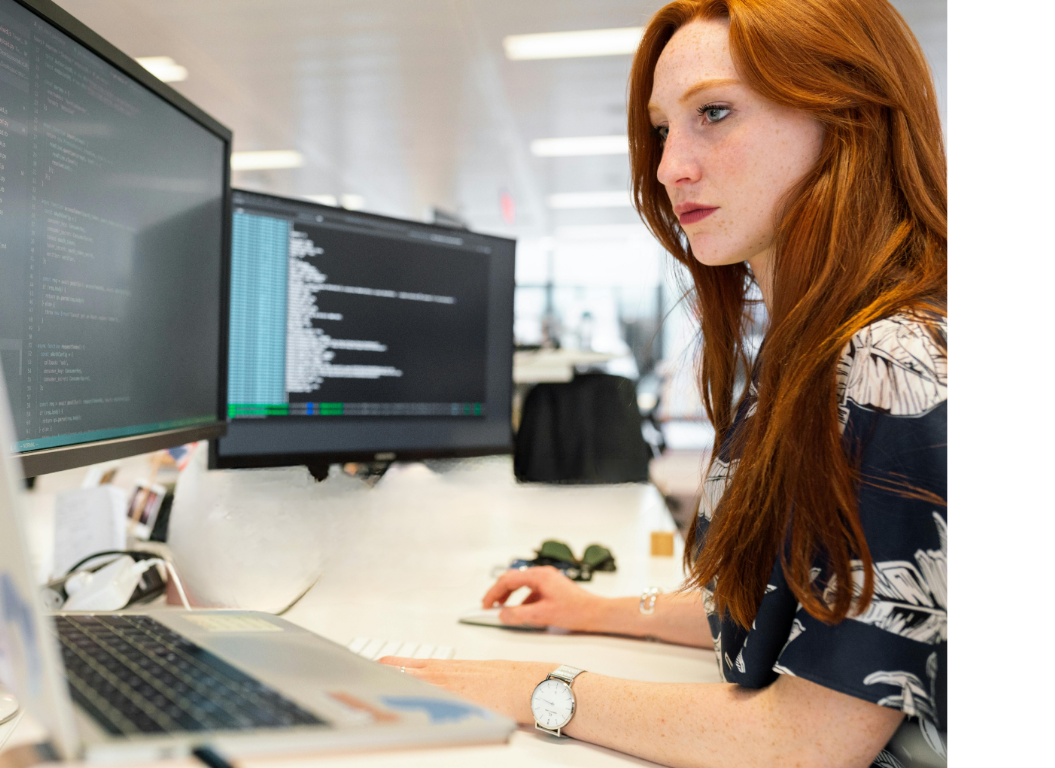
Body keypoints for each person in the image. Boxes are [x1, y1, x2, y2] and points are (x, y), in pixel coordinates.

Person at [379, 0, 947, 765]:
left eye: (714, 112)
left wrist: (530, 689)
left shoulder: (896, 364)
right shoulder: (808, 352)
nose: (668, 165)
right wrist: (600, 610)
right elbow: (792, 609)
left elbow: (812, 739)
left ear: (848, 117)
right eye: (661, 129)